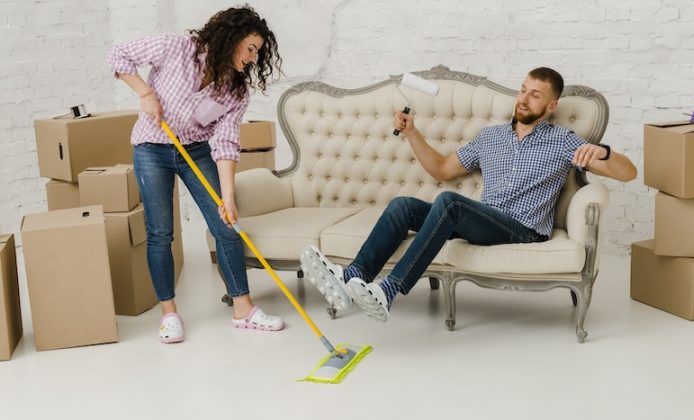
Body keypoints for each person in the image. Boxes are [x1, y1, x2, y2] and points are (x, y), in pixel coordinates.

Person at [301, 67, 637, 322]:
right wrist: (412, 132)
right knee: (403, 205)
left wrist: (603, 154)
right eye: (523, 90)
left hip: (524, 230)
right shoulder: (489, 137)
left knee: (449, 203)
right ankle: (352, 277)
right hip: (483, 219)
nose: (523, 98)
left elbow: (628, 173)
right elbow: (443, 170)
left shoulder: (563, 140)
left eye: (535, 95)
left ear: (551, 105)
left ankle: (390, 290)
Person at [108, 6, 285, 343]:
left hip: (196, 150)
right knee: (160, 232)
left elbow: (226, 141)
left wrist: (228, 196)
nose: (252, 57)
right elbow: (118, 54)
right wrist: (145, 93)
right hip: (152, 146)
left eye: (258, 52)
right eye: (250, 47)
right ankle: (169, 313)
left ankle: (243, 309)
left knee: (226, 225)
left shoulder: (235, 91)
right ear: (231, 38)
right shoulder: (177, 48)